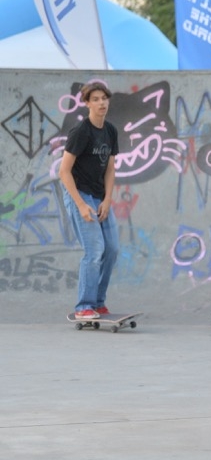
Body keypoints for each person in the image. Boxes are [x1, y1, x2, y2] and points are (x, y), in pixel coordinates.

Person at [58, 82, 120, 320]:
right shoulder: (81, 132)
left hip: (99, 195)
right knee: (94, 250)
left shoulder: (111, 131)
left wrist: (107, 199)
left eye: (104, 98)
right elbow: (64, 172)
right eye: (95, 99)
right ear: (87, 103)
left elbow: (110, 169)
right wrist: (81, 205)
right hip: (79, 194)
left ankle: (98, 302)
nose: (102, 103)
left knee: (112, 249)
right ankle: (84, 305)